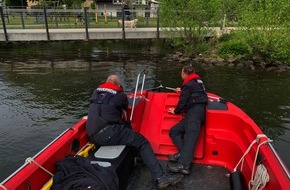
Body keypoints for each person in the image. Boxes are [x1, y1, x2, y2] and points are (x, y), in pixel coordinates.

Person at [86, 74, 183, 189]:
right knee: (142, 142)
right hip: (108, 133)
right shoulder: (120, 94)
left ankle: (138, 158)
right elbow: (125, 105)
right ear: (118, 85)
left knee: (127, 129)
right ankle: (161, 177)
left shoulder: (95, 92)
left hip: (92, 134)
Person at [167, 65, 208, 174]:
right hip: (195, 113)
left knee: (190, 136)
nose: (181, 74)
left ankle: (183, 166)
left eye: (181, 73)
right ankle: (182, 153)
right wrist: (182, 90)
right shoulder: (197, 82)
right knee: (174, 131)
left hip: (194, 113)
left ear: (185, 74)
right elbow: (194, 93)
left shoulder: (188, 84)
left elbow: (182, 102)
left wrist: (175, 111)